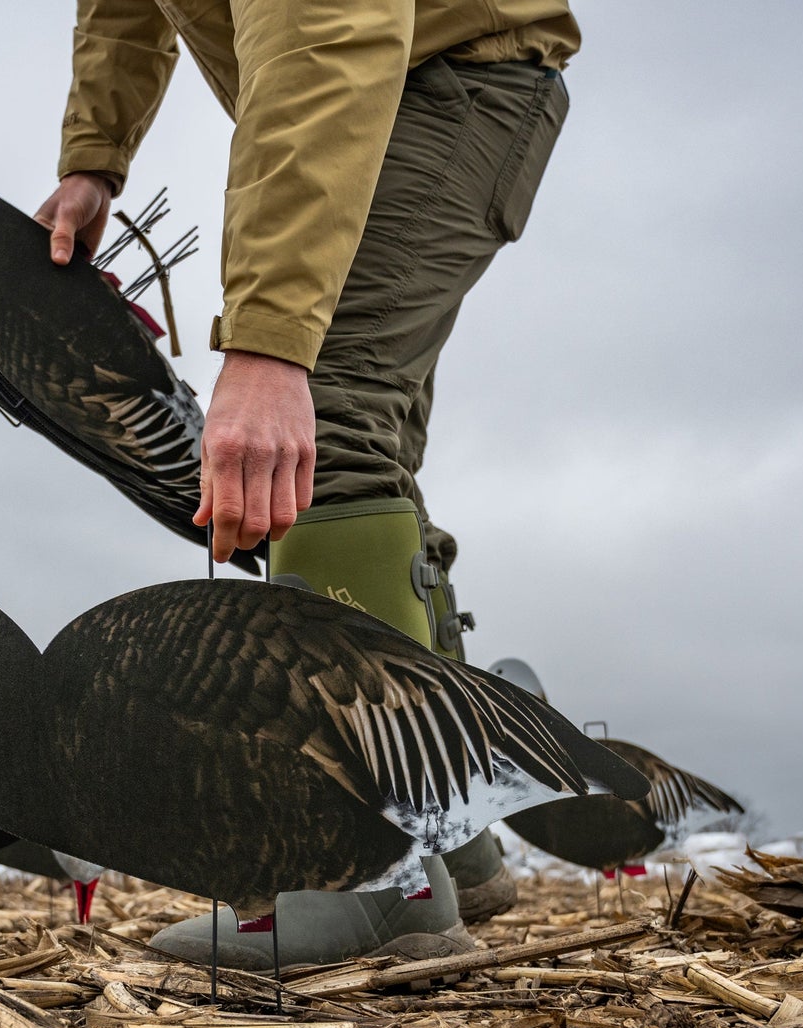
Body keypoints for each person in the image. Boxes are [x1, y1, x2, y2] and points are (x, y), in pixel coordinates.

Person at [36, 2, 578, 968]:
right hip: (412, 77)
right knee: (363, 449)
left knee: (325, 430)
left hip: (428, 78)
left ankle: (373, 879)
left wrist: (268, 344)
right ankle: (453, 837)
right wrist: (94, 155)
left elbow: (330, 32)